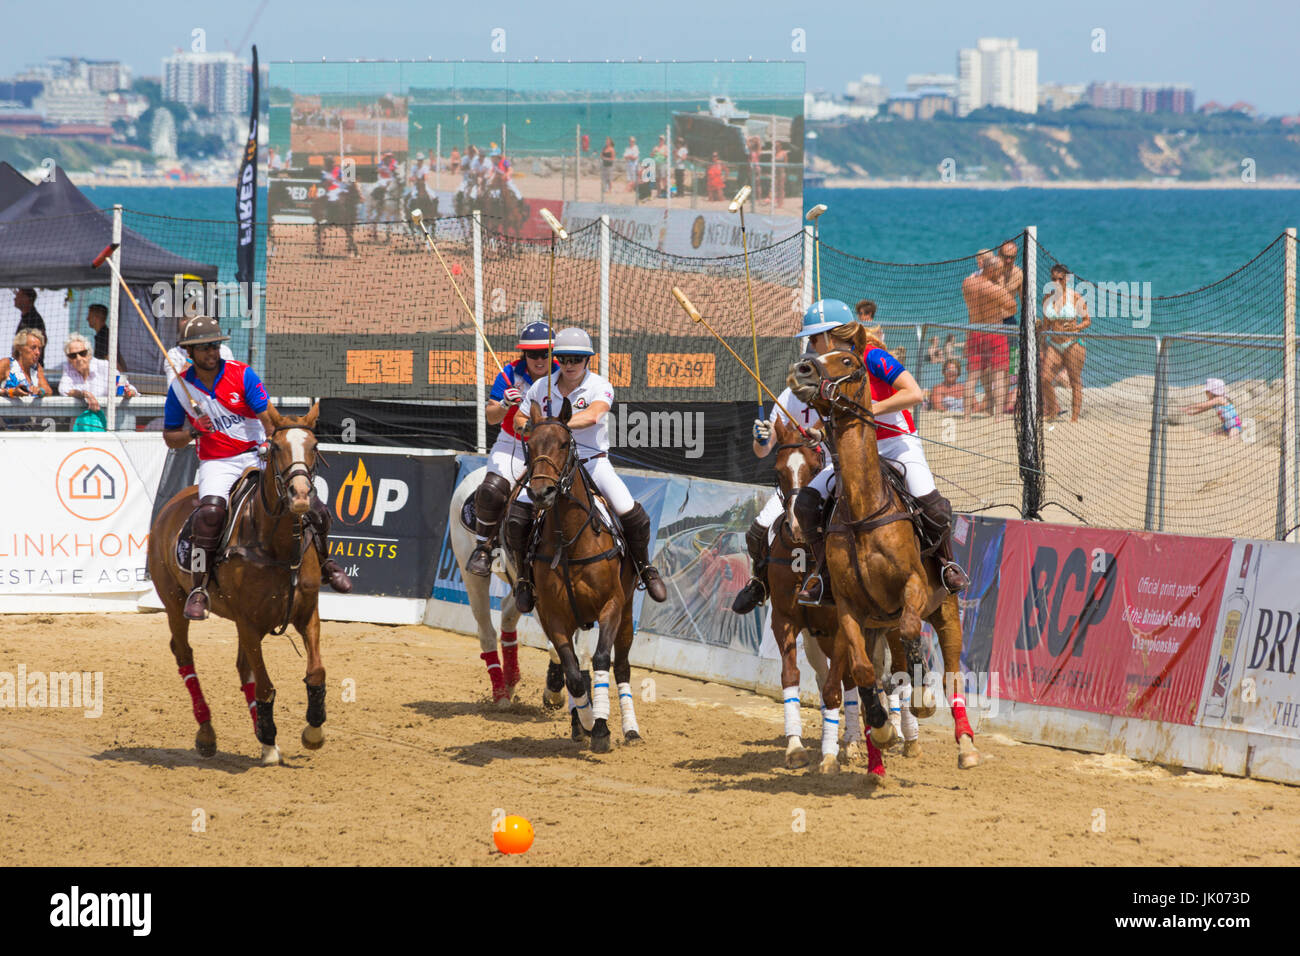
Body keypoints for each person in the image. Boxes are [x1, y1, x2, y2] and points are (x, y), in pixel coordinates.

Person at [161, 316, 351, 620]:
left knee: (313, 506)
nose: (212, 352)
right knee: (209, 515)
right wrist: (194, 431)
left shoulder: (242, 375)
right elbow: (171, 438)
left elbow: (268, 419)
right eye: (204, 347)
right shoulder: (181, 388)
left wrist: (267, 446)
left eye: (215, 345)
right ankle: (199, 588)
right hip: (217, 462)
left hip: (254, 455)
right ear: (190, 353)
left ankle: (327, 563)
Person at [790, 300, 970, 602]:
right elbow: (832, 413)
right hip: (854, 452)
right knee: (806, 505)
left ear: (831, 336)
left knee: (935, 508)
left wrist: (871, 410)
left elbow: (913, 392)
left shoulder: (873, 357)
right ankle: (823, 573)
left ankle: (945, 564)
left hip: (897, 444)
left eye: (814, 338)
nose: (811, 344)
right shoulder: (828, 371)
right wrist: (818, 433)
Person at [508, 327, 667, 611]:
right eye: (565, 359)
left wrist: (556, 427)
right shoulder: (540, 386)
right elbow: (520, 418)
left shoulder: (599, 385)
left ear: (587, 361)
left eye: (576, 360)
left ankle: (645, 568)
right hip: (549, 465)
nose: (570, 365)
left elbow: (594, 414)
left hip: (592, 463)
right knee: (518, 517)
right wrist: (531, 429)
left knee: (632, 513)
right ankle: (523, 579)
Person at [465, 321, 558, 577]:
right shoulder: (509, 374)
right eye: (532, 354)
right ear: (523, 354)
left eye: (544, 353)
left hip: (552, 447)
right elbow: (491, 417)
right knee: (492, 490)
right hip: (513, 444)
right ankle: (483, 548)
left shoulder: (563, 375)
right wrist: (505, 402)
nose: (539, 359)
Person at [730, 373, 826, 614]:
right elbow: (762, 451)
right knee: (758, 530)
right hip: (793, 481)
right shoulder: (787, 397)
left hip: (827, 473)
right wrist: (760, 438)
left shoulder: (830, 395)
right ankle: (760, 582)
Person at [960, 249, 1017, 420]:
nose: (1001, 274)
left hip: (975, 330)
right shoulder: (995, 289)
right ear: (991, 270)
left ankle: (967, 416)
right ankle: (998, 415)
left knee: (972, 376)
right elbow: (1012, 307)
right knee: (999, 374)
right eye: (999, 271)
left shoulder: (967, 283)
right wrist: (999, 287)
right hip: (994, 331)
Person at [1040, 263, 1092, 422]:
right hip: (1054, 344)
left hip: (1073, 344)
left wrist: (1076, 328)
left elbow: (1087, 321)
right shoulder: (1047, 298)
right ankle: (1053, 410)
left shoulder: (1075, 297)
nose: (1056, 282)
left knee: (1074, 381)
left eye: (1060, 279)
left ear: (1067, 279)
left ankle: (1074, 419)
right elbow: (1047, 325)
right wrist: (1041, 337)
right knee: (1045, 379)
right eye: (1053, 279)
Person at [59, 332, 136, 430]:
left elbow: (127, 386)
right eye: (73, 356)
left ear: (89, 354)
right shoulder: (68, 368)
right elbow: (63, 389)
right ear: (69, 359)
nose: (78, 358)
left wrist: (128, 392)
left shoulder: (105, 366)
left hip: (109, 424)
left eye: (82, 353)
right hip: (82, 428)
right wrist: (85, 394)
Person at [167, 316, 233, 384]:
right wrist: (190, 359)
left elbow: (232, 381)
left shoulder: (225, 351)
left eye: (216, 345)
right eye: (183, 319)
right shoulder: (174, 353)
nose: (211, 352)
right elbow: (173, 387)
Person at [1, 328, 52, 398]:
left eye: (39, 348)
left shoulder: (37, 367)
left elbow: (48, 391)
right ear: (19, 348)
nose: (38, 352)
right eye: (33, 347)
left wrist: (40, 391)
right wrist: (11, 392)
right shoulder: (7, 364)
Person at [84, 303, 129, 373]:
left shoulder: (103, 336)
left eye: (89, 315)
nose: (87, 319)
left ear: (96, 317)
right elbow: (119, 358)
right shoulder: (107, 334)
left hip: (109, 378)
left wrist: (122, 381)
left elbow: (112, 361)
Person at [12, 288, 45, 365]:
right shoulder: (26, 317)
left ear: (27, 299)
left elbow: (42, 342)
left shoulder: (34, 319)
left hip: (30, 368)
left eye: (18, 295)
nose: (15, 298)